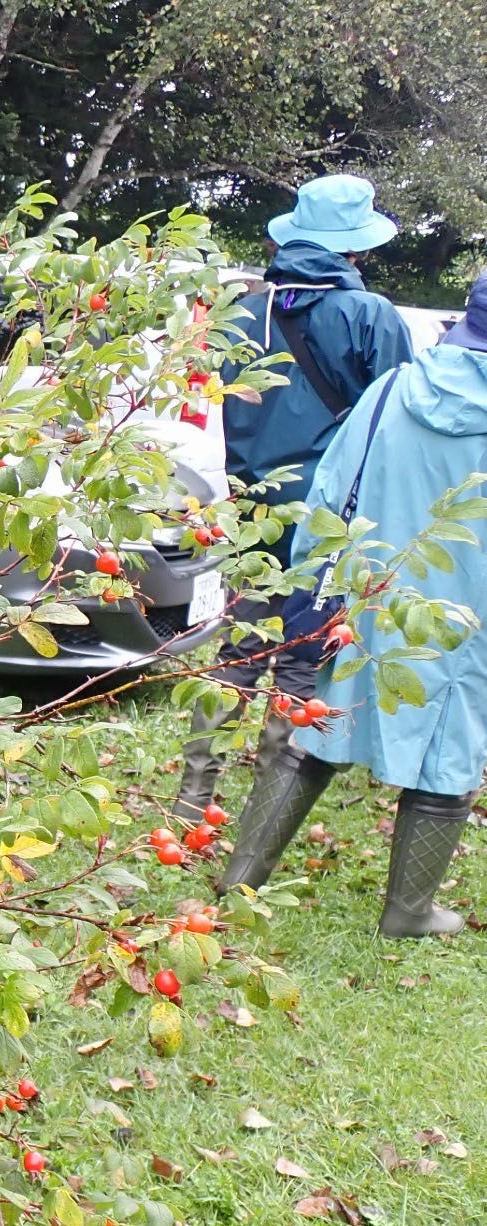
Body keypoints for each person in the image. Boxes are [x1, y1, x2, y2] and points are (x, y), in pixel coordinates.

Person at [216, 271, 487, 936]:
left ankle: (240, 878)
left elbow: (332, 490)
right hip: (467, 615)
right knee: (449, 745)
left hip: (368, 600)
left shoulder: (394, 388)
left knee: (319, 726)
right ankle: (409, 909)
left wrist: (314, 585)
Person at [174, 174, 416, 817]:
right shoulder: (370, 315)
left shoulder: (244, 310)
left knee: (240, 647)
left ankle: (192, 801)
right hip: (332, 512)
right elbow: (392, 415)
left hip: (253, 504)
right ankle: (267, 810)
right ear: (353, 247)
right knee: (305, 657)